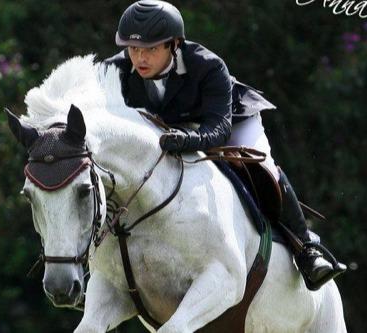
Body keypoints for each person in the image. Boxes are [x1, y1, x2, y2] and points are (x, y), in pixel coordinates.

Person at [102, 0, 346, 290]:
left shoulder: (208, 65)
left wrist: (189, 140)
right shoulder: (113, 71)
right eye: (132, 48)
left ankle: (307, 251)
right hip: (171, 130)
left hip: (229, 121)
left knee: (261, 166)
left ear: (174, 44)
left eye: (151, 49)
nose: (139, 58)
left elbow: (218, 128)